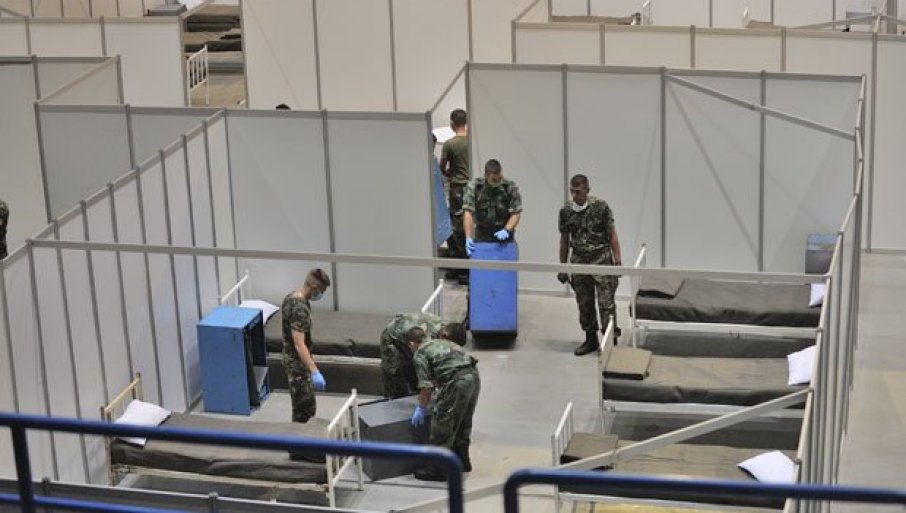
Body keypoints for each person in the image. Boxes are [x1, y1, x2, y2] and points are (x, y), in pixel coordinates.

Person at [558, 174, 622, 356]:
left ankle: (610, 342)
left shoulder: (600, 207)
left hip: (601, 260)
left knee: (606, 304)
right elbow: (564, 239)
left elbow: (612, 234)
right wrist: (563, 267)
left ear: (587, 190)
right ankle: (591, 340)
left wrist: (618, 261)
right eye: (572, 191)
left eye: (578, 191)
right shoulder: (566, 211)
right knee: (584, 304)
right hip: (579, 262)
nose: (575, 195)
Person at [409, 322, 479, 480]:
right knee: (464, 421)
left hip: (457, 382)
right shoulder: (440, 342)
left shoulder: (420, 352)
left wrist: (421, 408)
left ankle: (437, 470)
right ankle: (463, 461)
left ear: (412, 344)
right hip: (474, 376)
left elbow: (426, 388)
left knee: (442, 425)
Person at [281, 268, 331, 423]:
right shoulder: (300, 308)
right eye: (322, 291)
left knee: (300, 406)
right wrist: (314, 371)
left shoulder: (291, 297)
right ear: (315, 288)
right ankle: (300, 438)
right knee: (305, 410)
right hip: (298, 366)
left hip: (291, 359)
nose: (321, 294)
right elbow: (299, 344)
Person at [462, 159, 522, 256]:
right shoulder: (475, 187)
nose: (498, 182)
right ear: (486, 175)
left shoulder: (510, 187)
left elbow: (516, 213)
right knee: (481, 265)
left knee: (506, 264)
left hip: (505, 238)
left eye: (499, 178)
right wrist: (468, 237)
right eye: (494, 180)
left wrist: (506, 230)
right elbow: (468, 212)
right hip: (482, 237)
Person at [379, 312, 443, 398]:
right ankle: (393, 396)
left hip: (417, 329)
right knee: (393, 369)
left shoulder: (438, 335)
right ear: (412, 344)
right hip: (392, 337)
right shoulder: (397, 335)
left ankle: (417, 392)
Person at [440, 109, 470, 264]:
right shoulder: (472, 141)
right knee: (471, 221)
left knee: (457, 224)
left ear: (452, 122)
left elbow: (442, 166)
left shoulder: (449, 144)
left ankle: (460, 263)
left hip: (457, 188)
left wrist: (448, 173)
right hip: (473, 187)